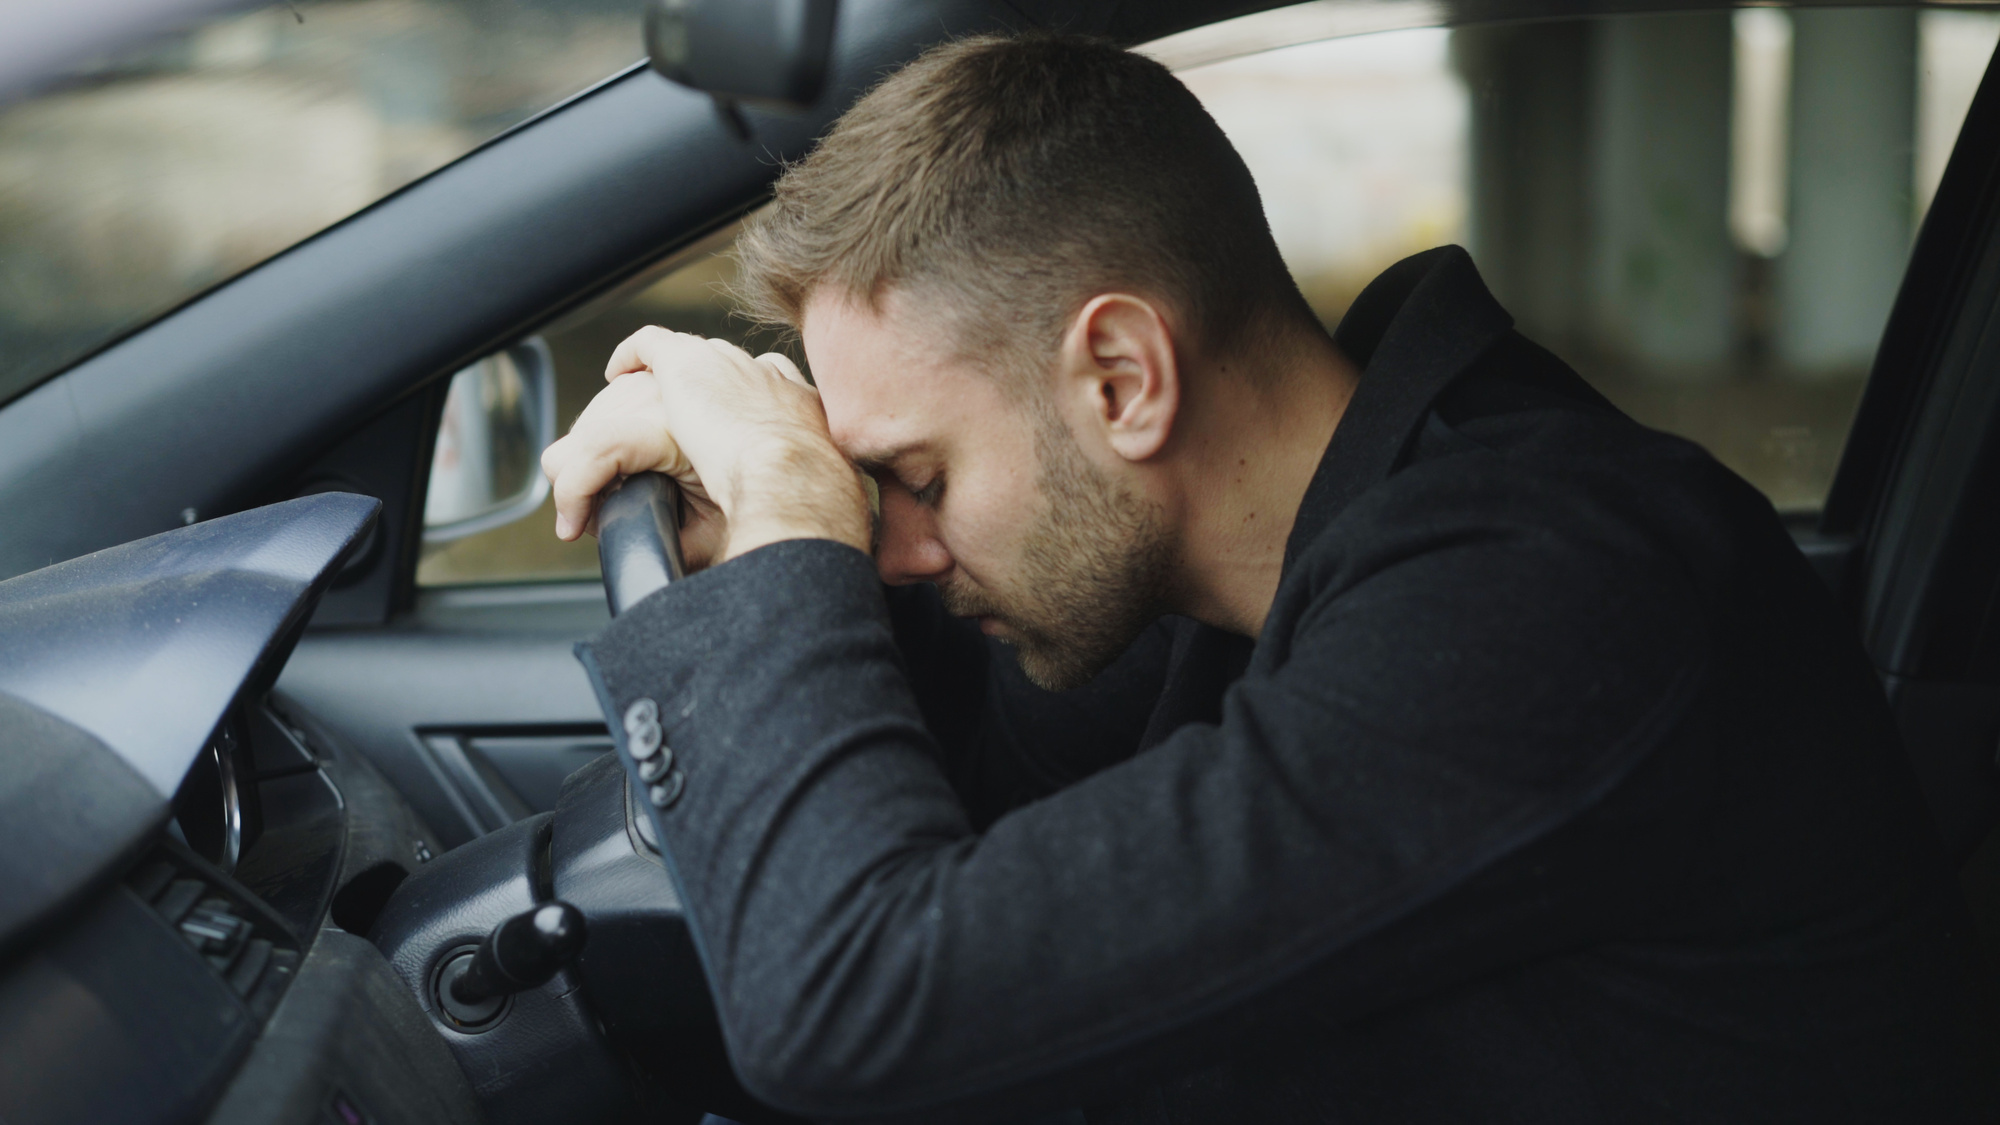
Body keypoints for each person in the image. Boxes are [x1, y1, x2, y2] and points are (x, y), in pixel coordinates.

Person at [539, 32, 1995, 1125]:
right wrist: (797, 524)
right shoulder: (1228, 565)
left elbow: (856, 1003)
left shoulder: (1544, 597)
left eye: (915, 480)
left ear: (1122, 378)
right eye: (871, 495)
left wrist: (792, 530)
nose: (897, 551)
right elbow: (978, 793)